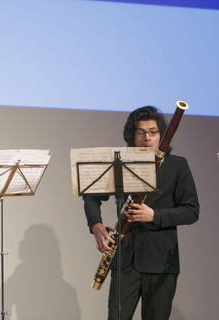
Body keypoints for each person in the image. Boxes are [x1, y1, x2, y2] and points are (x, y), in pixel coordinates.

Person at [83, 106, 199, 320]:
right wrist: (96, 225)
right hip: (125, 260)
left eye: (153, 132)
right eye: (141, 132)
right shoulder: (120, 164)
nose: (148, 137)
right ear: (132, 135)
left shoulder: (177, 166)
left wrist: (154, 215)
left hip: (161, 262)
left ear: (161, 134)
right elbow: (91, 197)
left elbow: (191, 211)